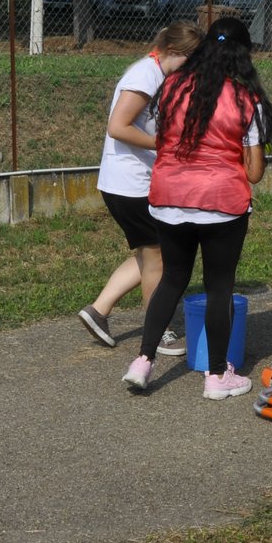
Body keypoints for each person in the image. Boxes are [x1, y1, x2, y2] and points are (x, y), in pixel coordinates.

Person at [122, 15, 272, 399]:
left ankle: (142, 362)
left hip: (168, 197)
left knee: (172, 278)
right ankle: (216, 375)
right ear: (243, 54)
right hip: (222, 204)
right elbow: (254, 173)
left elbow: (164, 139)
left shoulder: (172, 86)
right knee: (219, 286)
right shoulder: (247, 99)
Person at [78, 22, 203, 357]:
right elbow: (118, 127)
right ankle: (157, 329)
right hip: (131, 184)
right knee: (158, 257)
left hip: (127, 182)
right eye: (189, 63)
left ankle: (98, 311)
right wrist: (164, 145)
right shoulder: (145, 75)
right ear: (175, 52)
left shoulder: (155, 74)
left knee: (148, 253)